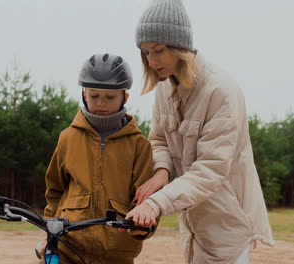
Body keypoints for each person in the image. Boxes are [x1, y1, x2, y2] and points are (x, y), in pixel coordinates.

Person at [125, 1, 276, 263]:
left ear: (180, 46)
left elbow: (210, 169)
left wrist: (156, 203)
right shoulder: (164, 88)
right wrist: (161, 172)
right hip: (194, 227)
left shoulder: (221, 92)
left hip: (229, 227)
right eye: (145, 52)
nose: (151, 61)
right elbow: (159, 139)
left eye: (158, 50)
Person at [38, 53, 155, 264]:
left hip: (116, 255)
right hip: (68, 249)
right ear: (84, 94)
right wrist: (50, 234)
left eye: (110, 97)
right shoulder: (68, 138)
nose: (101, 103)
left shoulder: (140, 146)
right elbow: (54, 191)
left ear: (124, 98)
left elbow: (148, 203)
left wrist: (142, 228)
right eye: (94, 96)